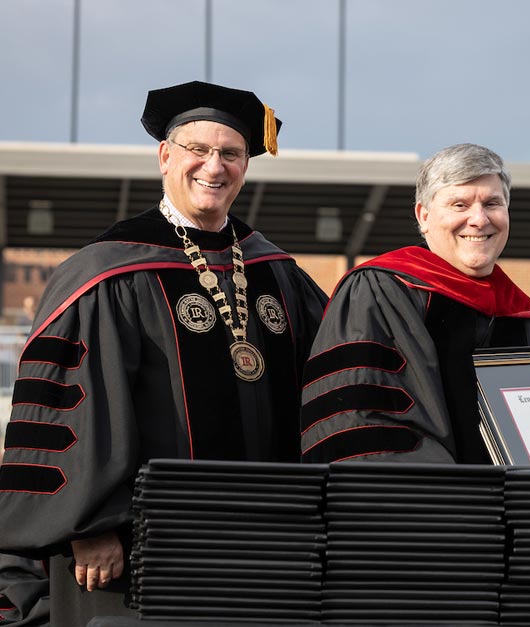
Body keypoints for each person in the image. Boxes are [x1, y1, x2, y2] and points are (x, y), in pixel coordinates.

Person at [0, 81, 328, 625]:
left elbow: (332, 378)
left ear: (247, 164)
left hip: (269, 536)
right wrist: (91, 526)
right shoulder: (108, 272)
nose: (214, 167)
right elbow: (71, 408)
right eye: (198, 151)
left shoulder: (277, 271)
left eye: (231, 153)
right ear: (165, 156)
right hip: (144, 543)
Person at [300, 143, 530, 464]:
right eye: (459, 204)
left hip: (521, 507)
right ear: (424, 216)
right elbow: (363, 422)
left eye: (492, 203)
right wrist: (448, 499)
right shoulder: (381, 290)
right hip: (426, 505)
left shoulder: (528, 316)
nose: (479, 219)